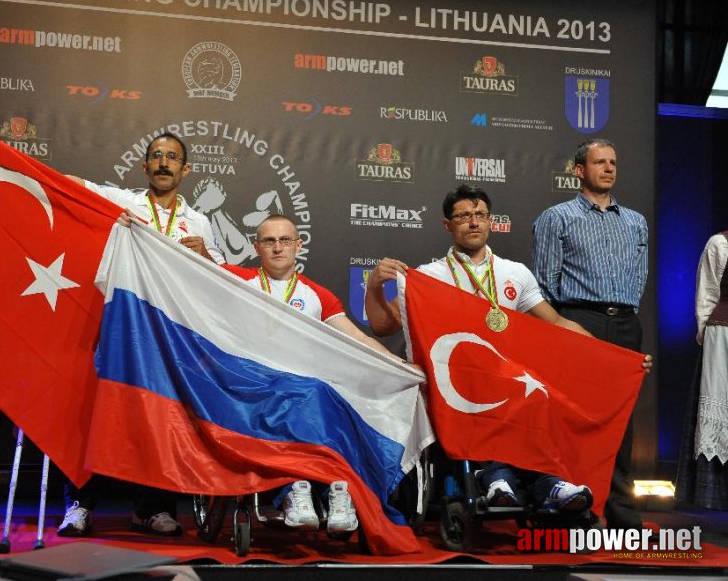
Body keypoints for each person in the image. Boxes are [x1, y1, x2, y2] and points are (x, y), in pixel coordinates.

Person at [364, 184, 596, 511]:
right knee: (494, 388)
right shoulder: (429, 277)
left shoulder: (515, 273)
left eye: (480, 215)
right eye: (463, 216)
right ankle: (497, 476)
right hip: (454, 381)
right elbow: (383, 326)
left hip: (507, 376)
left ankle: (547, 483)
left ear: (490, 221)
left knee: (536, 390)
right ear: (448, 225)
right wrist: (374, 287)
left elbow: (556, 324)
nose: (473, 222)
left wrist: (606, 353)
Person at [58, 131, 226, 537]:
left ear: (185, 170)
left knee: (161, 417)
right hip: (122, 325)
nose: (163, 163)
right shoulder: (123, 202)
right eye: (156, 156)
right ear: (144, 165)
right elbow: (71, 185)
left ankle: (152, 509)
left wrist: (205, 256)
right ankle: (79, 505)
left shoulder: (199, 221)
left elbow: (222, 275)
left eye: (172, 157)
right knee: (101, 413)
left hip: (170, 334)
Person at [222, 214, 411, 533]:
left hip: (306, 391)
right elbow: (184, 271)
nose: (277, 247)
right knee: (313, 394)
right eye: (269, 241)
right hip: (252, 390)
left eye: (285, 240)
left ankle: (335, 489)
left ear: (299, 245)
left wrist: (401, 366)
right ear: (256, 247)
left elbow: (360, 339)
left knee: (331, 397)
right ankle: (298, 488)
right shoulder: (233, 280)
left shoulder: (318, 296)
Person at [531, 138, 649, 529]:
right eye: (600, 162)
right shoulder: (557, 217)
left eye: (613, 162)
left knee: (621, 420)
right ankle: (577, 508)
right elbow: (545, 284)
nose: (609, 168)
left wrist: (627, 319)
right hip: (578, 319)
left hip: (625, 321)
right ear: (579, 170)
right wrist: (561, 328)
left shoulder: (635, 221)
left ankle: (622, 513)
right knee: (574, 418)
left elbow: (640, 275)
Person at [677, 231, 728, 509]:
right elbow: (707, 295)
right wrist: (707, 336)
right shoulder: (720, 243)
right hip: (723, 343)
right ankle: (715, 495)